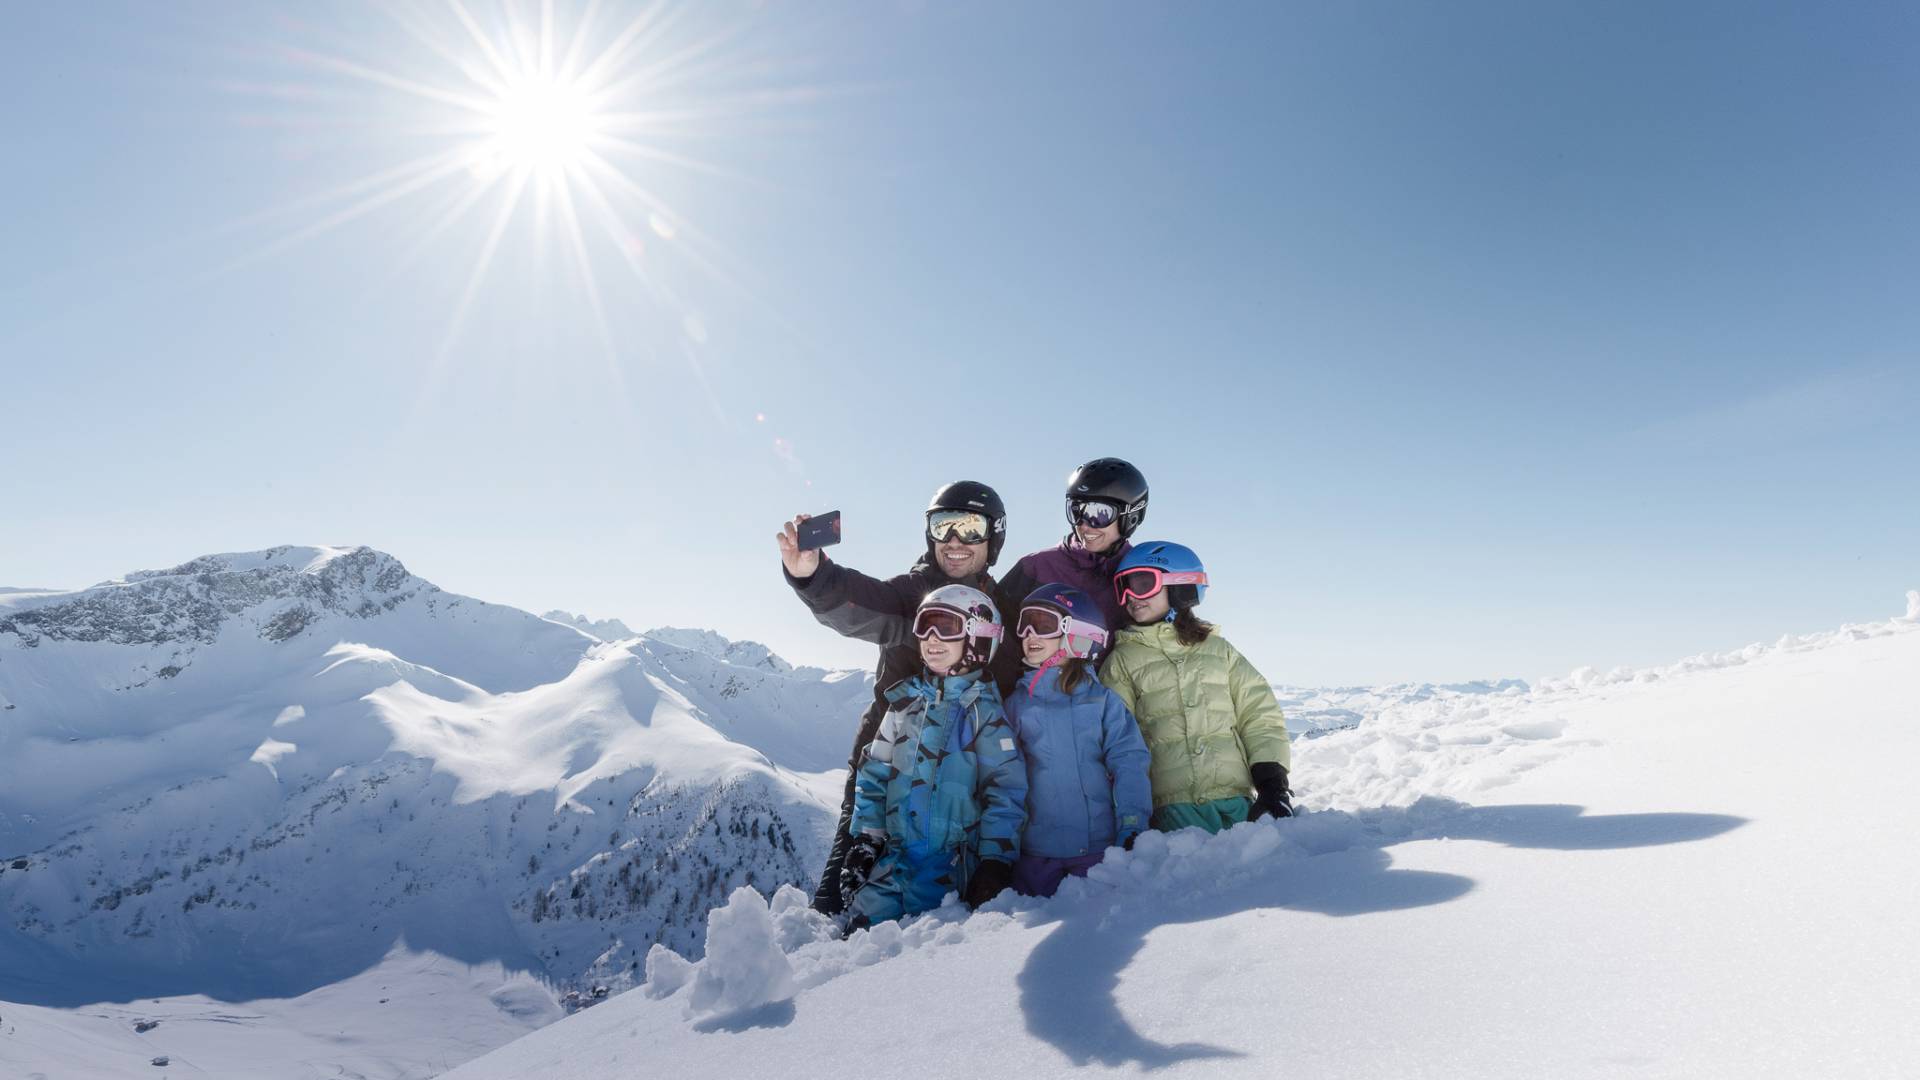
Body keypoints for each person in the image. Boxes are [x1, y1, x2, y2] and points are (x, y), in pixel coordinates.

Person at [776, 480, 1014, 915]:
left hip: (963, 790)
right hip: (884, 772)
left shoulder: (998, 608)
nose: (955, 540)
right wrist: (814, 575)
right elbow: (860, 603)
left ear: (993, 536)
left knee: (944, 924)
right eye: (944, 526)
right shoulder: (911, 594)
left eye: (970, 527)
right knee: (839, 908)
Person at [840, 585, 1028, 928]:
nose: (931, 637)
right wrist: (867, 839)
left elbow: (1006, 792)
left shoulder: (984, 715)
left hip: (950, 873)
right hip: (893, 864)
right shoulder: (903, 704)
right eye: (925, 626)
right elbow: (875, 770)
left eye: (947, 627)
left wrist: (994, 862)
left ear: (979, 639)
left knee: (925, 955)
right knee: (862, 945)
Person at [1100, 541, 1293, 834]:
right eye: (1122, 587)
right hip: (1170, 812)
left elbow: (1259, 714)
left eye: (1141, 583)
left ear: (1181, 585)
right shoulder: (1122, 661)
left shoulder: (1219, 651)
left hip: (1237, 804)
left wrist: (1272, 783)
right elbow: (1116, 739)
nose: (1129, 596)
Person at [1002, 583, 1152, 898]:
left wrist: (1132, 824)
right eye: (1025, 623)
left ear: (1078, 634)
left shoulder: (1102, 702)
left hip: (1097, 851)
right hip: (1035, 856)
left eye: (1043, 625)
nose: (1029, 634)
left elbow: (1129, 761)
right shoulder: (1016, 705)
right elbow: (1004, 779)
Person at [997, 458, 1150, 638]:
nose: (1084, 525)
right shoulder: (1035, 567)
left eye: (1099, 514)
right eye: (1076, 511)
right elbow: (999, 635)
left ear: (1130, 516)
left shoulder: (1142, 574)